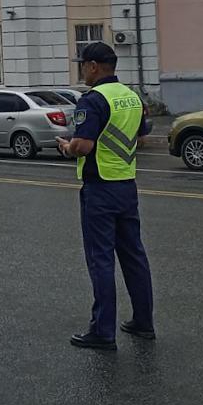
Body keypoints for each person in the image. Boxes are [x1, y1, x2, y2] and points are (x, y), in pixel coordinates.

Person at [57, 42, 155, 351]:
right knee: (134, 255)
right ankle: (143, 321)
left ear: (94, 66)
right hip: (126, 184)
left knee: (100, 259)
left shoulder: (93, 100)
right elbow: (140, 138)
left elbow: (83, 146)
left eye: (83, 64)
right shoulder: (132, 97)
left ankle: (103, 331)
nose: (82, 70)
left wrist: (66, 147)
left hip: (100, 187)